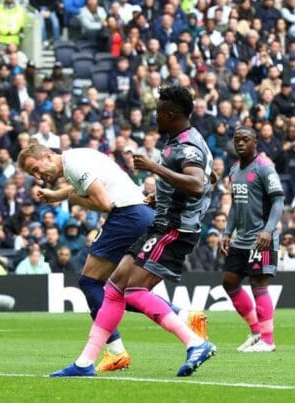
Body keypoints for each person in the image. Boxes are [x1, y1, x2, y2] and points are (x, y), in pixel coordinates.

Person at [50, 86, 217, 377]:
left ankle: (194, 341)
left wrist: (155, 168)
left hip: (175, 228)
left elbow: (197, 184)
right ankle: (84, 363)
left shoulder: (186, 146)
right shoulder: (184, 140)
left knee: (134, 290)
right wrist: (161, 195)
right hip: (163, 221)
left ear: (170, 114)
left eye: (158, 113)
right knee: (115, 289)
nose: (154, 117)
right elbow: (209, 177)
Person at [18, 141, 206, 372]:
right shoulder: (75, 158)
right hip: (138, 213)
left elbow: (103, 202)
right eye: (32, 174)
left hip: (126, 216)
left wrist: (73, 199)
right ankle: (184, 318)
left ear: (47, 156)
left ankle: (115, 352)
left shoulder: (75, 164)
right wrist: (57, 195)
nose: (37, 176)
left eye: (36, 168)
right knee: (122, 291)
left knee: (91, 282)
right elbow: (86, 187)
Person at [221, 127, 284, 352]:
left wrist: (268, 230)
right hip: (241, 240)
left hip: (262, 239)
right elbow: (236, 207)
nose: (240, 143)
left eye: (245, 140)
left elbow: (278, 201)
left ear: (255, 142)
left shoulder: (265, 169)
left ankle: (268, 340)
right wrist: (227, 232)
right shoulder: (234, 169)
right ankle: (256, 332)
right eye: (237, 140)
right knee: (229, 281)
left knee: (258, 284)